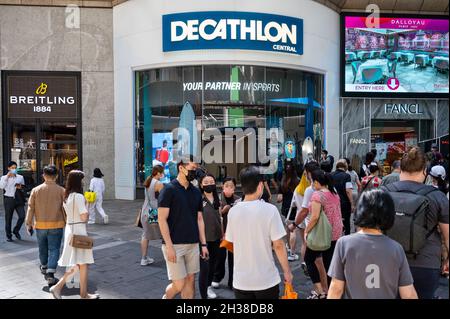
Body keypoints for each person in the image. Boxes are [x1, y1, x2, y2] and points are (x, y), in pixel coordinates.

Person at [382, 147, 449, 299]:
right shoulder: (437, 197)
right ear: (425, 171)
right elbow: (448, 235)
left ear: (400, 168)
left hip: (386, 261)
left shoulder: (382, 192)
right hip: (425, 263)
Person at [327, 190, 418, 299]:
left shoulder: (344, 244)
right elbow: (408, 295)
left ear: (359, 211)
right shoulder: (396, 248)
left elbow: (336, 289)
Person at [226, 166, 293, 299]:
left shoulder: (233, 211)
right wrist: (287, 271)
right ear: (260, 186)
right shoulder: (270, 210)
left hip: (241, 280)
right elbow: (278, 245)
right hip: (266, 279)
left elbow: (230, 243)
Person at [158, 156, 209, 299]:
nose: (195, 172)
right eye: (193, 168)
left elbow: (199, 219)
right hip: (174, 245)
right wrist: (168, 246)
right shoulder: (168, 189)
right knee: (179, 284)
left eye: (196, 169)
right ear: (181, 167)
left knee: (190, 281)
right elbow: (162, 219)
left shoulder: (196, 192)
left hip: (193, 244)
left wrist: (203, 244)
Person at [49, 170, 98, 299]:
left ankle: (63, 288)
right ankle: (81, 294)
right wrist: (89, 205)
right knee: (83, 263)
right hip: (79, 230)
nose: (83, 182)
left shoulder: (67, 196)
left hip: (70, 229)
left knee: (79, 264)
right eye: (81, 180)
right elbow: (84, 217)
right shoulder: (79, 197)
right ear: (78, 182)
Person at [304, 169, 343, 299]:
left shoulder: (317, 195)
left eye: (312, 181)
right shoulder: (334, 192)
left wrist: (306, 230)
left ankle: (320, 291)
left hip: (322, 234)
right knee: (329, 264)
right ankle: (332, 293)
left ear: (316, 182)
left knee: (308, 259)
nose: (312, 184)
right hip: (335, 232)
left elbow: (314, 217)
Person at [25, 165, 65, 286]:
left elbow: (31, 208)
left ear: (43, 175)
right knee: (54, 249)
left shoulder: (36, 190)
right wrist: (67, 222)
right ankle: (51, 272)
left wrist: (28, 223)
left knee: (42, 247)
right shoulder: (61, 191)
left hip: (40, 225)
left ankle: (44, 266)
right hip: (56, 224)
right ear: (56, 176)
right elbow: (65, 209)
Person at [290, 162, 328, 282]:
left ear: (309, 173)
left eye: (306, 173)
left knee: (314, 258)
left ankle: (321, 289)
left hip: (312, 226)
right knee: (322, 258)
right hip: (326, 227)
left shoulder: (309, 190)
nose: (305, 175)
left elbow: (306, 211)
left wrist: (296, 224)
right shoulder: (328, 186)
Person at [198, 174, 222, 299]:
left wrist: (222, 234)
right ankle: (204, 291)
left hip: (216, 237)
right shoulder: (198, 198)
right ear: (201, 185)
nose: (209, 184)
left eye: (211, 181)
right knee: (205, 267)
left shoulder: (218, 198)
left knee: (213, 264)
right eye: (206, 182)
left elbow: (220, 218)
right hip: (204, 239)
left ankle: (208, 287)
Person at [212, 177, 239, 289]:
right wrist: (223, 211)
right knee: (220, 256)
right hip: (221, 234)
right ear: (222, 187)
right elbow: (213, 217)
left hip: (234, 234)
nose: (229, 188)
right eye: (226, 185)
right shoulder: (217, 199)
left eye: (231, 186)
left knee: (234, 258)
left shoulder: (238, 200)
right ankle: (217, 278)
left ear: (234, 188)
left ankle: (232, 281)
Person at [140, 165, 164, 266]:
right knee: (165, 232)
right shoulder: (158, 183)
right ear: (158, 173)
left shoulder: (148, 180)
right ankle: (169, 256)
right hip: (154, 211)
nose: (163, 174)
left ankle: (144, 258)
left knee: (145, 235)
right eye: (162, 172)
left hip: (145, 210)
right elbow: (164, 198)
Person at [277, 163, 300, 261]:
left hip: (285, 208)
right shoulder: (298, 181)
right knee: (293, 229)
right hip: (295, 207)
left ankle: (289, 247)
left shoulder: (283, 181)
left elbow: (279, 198)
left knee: (288, 228)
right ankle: (292, 253)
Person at [0, 161, 26, 242]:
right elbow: (1, 187)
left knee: (22, 216)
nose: (14, 169)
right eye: (12, 168)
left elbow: (23, 187)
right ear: (8, 168)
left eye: (15, 168)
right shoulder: (4, 177)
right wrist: (7, 177)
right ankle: (9, 236)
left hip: (18, 199)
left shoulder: (20, 177)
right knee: (8, 218)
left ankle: (16, 230)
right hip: (8, 199)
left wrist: (20, 187)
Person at [331, 159, 354, 235]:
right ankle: (346, 239)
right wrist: (352, 203)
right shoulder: (347, 176)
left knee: (334, 221)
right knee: (346, 222)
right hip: (344, 203)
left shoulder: (331, 175)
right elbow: (348, 190)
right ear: (345, 166)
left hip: (333, 203)